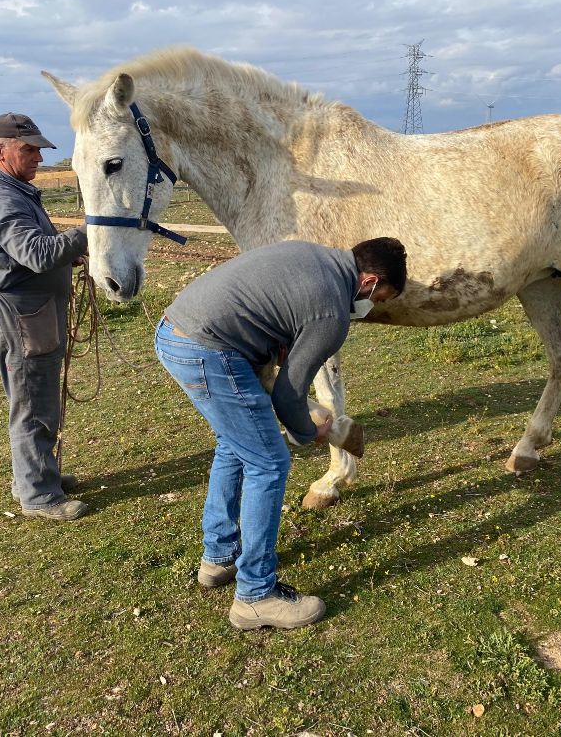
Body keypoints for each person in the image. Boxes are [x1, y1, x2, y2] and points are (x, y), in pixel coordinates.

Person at [155, 237, 408, 630]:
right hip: (209, 349)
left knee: (235, 445)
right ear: (370, 281)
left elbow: (275, 324)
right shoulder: (332, 314)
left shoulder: (313, 255)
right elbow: (290, 398)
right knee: (269, 462)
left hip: (175, 330)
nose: (373, 307)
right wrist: (311, 431)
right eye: (380, 297)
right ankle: (255, 595)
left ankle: (219, 557)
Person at [0, 113, 89, 521]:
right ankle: (39, 496)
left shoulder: (12, 189)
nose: (39, 156)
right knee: (33, 402)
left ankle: (37, 476)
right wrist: (92, 229)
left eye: (39, 148)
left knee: (34, 397)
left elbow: (27, 253)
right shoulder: (2, 196)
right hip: (19, 314)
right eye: (29, 149)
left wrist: (65, 257)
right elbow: (35, 254)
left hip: (28, 310)